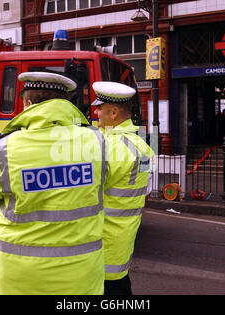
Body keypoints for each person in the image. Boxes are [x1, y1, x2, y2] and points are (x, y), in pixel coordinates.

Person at [0, 72, 107, 295]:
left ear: (29, 104)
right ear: (64, 103)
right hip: (80, 273)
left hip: (19, 274)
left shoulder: (2, 148)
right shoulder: (97, 141)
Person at [92, 81, 154, 295]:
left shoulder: (106, 147)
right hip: (123, 241)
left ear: (114, 112)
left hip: (100, 243)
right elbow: (145, 191)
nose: (96, 111)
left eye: (100, 107)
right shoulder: (143, 146)